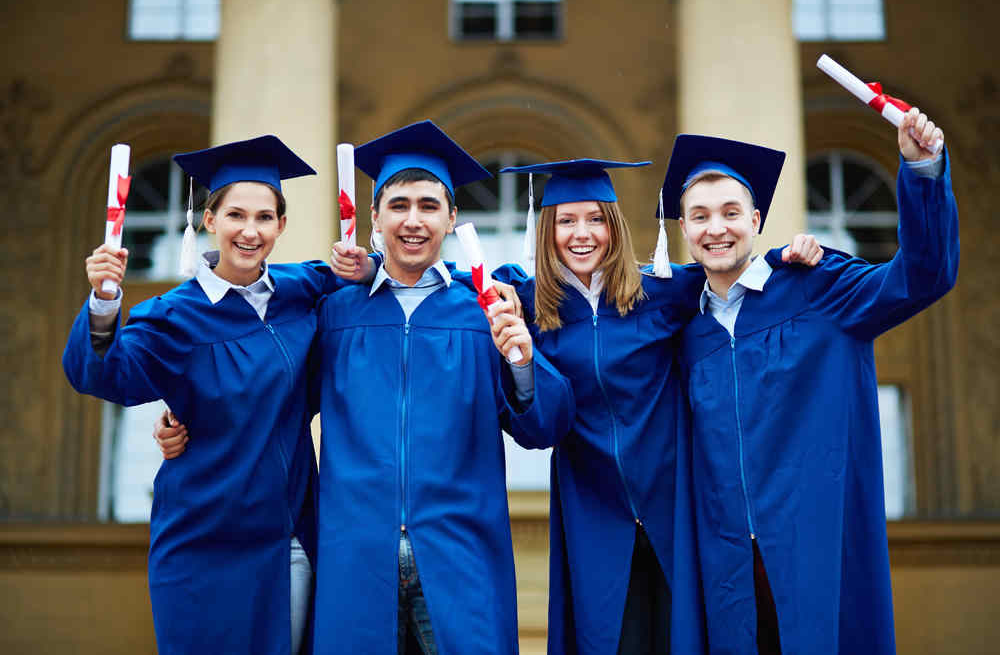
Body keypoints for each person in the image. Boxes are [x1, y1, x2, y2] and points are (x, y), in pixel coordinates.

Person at [489, 159, 822, 655]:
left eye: (596, 219)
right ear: (547, 230)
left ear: (615, 227)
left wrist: (787, 254)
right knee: (611, 638)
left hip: (678, 507)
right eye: (566, 220)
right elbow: (534, 422)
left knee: (691, 634)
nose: (582, 234)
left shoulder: (665, 292)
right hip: (592, 511)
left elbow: (730, 268)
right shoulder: (532, 309)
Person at [667, 108, 958, 654]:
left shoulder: (819, 289)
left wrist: (922, 171)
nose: (716, 228)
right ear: (683, 229)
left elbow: (924, 275)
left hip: (811, 548)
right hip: (723, 559)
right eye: (700, 217)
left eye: (731, 212)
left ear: (756, 219)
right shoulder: (679, 323)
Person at [63, 135, 350, 655]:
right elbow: (104, 376)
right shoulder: (173, 316)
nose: (250, 230)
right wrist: (105, 301)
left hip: (284, 540)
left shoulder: (301, 291)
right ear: (210, 219)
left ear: (281, 226)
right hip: (200, 540)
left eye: (265, 217)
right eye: (236, 214)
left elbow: (380, 280)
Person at [311, 120, 574, 654]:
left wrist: (522, 360)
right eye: (399, 205)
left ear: (452, 218)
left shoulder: (485, 310)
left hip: (460, 553)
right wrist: (183, 418)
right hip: (357, 556)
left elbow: (546, 424)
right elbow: (271, 394)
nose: (413, 220)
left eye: (429, 206)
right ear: (375, 216)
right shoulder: (333, 311)